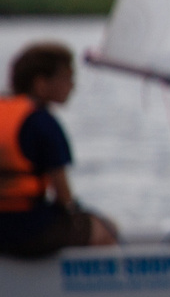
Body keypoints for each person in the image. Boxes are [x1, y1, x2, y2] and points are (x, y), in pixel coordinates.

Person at [0, 42, 120, 259]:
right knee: (105, 228)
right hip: (25, 231)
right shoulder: (41, 121)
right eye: (67, 78)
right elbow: (63, 196)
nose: (72, 86)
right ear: (41, 84)